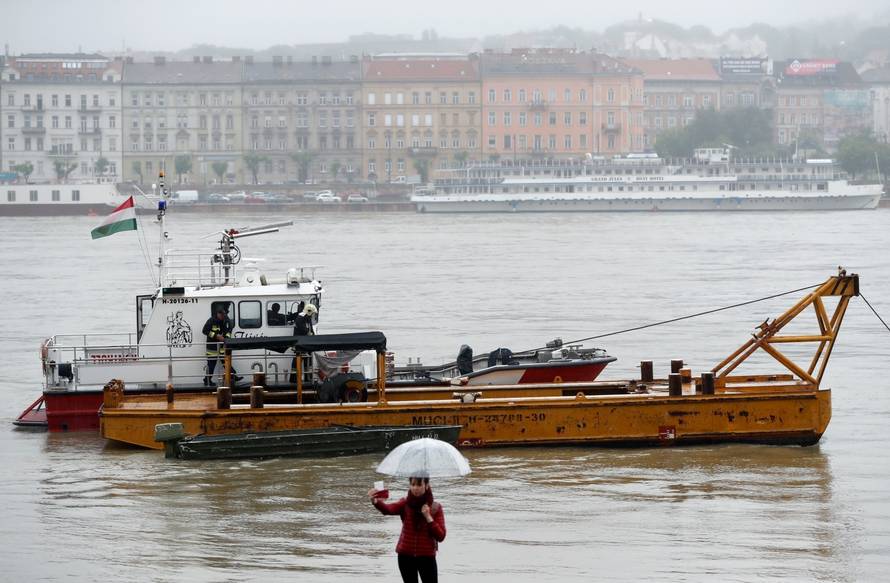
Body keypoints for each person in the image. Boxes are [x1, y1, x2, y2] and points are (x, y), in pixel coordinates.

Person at [369, 477, 446, 583]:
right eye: (413, 484)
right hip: (405, 556)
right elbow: (388, 510)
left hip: (427, 557)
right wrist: (376, 501)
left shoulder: (435, 508)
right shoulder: (405, 504)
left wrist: (428, 517)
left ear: (427, 486)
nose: (415, 488)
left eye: (419, 485)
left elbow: (441, 536)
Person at [201, 304, 241, 386]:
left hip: (222, 346)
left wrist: (226, 338)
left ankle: (233, 376)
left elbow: (229, 330)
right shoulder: (211, 320)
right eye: (221, 314)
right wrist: (216, 336)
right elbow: (205, 330)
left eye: (224, 314)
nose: (223, 316)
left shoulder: (226, 320)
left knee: (226, 362)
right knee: (211, 364)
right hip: (213, 347)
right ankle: (207, 380)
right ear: (218, 314)